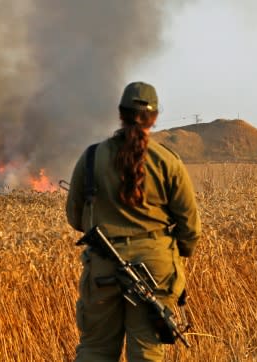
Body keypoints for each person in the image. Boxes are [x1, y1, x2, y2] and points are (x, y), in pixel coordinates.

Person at [66, 81, 201, 362]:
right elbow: (189, 226)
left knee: (95, 350)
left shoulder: (92, 158)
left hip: (102, 267)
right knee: (147, 353)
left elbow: (75, 218)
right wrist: (176, 251)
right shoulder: (168, 161)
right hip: (155, 270)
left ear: (120, 113)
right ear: (154, 117)